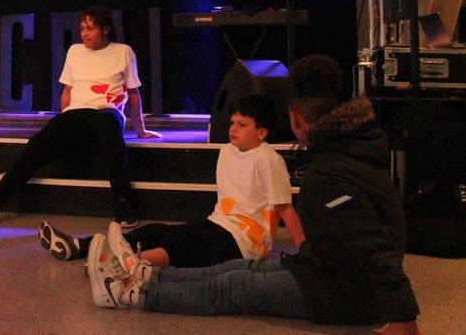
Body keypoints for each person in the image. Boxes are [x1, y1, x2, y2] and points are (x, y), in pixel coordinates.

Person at [86, 55, 421, 335]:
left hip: (345, 292)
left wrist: (404, 320)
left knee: (234, 287)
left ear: (297, 119)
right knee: (239, 271)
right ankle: (146, 275)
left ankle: (133, 292)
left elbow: (373, 244)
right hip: (328, 270)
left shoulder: (331, 171)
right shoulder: (351, 150)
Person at [40, 94, 304, 267]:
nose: (233, 128)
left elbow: (285, 208)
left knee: (185, 245)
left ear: (262, 132)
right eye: (233, 122)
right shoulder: (227, 152)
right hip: (219, 224)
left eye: (242, 124)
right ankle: (81, 246)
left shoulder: (268, 159)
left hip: (246, 242)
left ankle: (121, 265)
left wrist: (305, 250)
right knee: (158, 231)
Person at [0, 5, 161, 227]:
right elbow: (68, 92)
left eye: (90, 28)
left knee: (107, 125)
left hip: (107, 113)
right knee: (39, 141)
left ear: (106, 30)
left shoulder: (123, 51)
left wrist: (140, 129)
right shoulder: (75, 51)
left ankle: (124, 206)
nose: (84, 33)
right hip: (78, 113)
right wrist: (63, 124)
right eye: (82, 28)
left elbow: (132, 93)